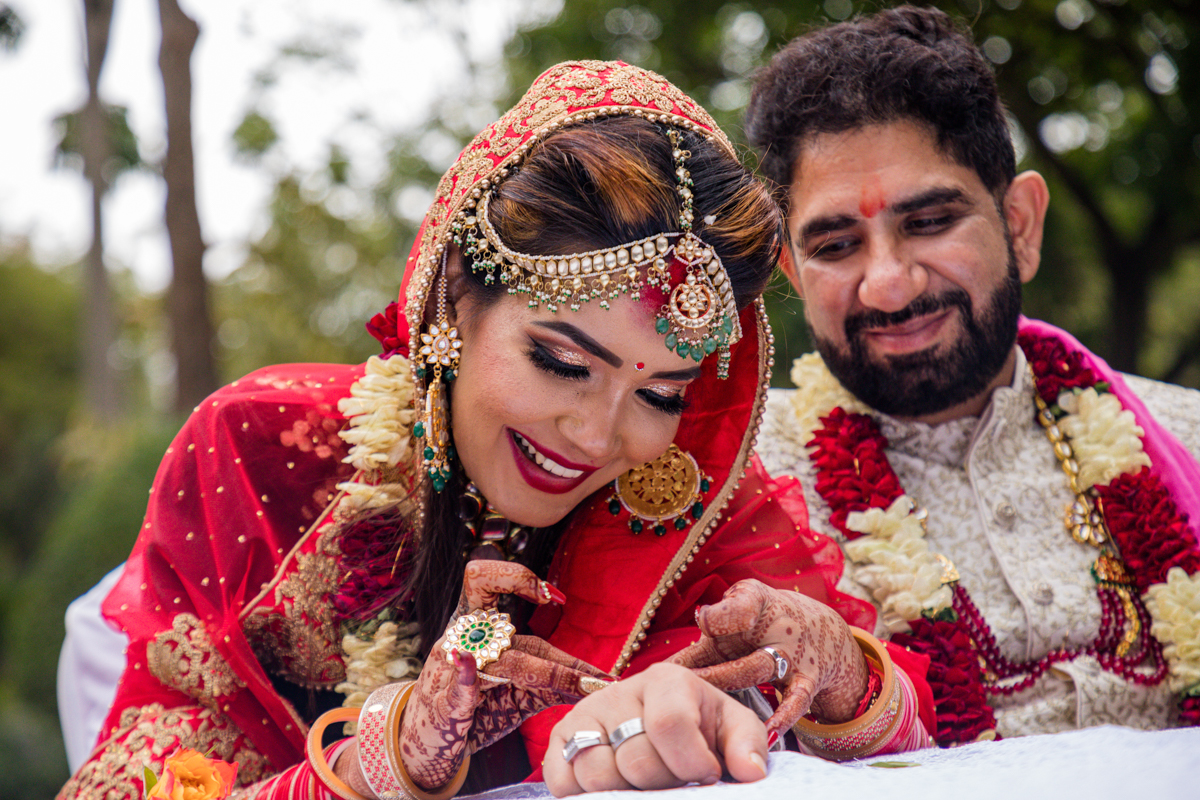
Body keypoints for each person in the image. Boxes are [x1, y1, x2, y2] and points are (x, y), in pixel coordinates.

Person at [59, 61, 920, 800]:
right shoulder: (266, 453)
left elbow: (930, 743)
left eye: (661, 392)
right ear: (451, 300)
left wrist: (841, 670)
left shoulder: (691, 499)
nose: (595, 434)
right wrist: (388, 752)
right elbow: (138, 777)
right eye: (561, 362)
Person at [745, 5, 1200, 746]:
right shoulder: (738, 489)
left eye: (928, 222)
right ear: (793, 272)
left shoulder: (1189, 441)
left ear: (1019, 225)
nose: (887, 285)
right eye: (836, 244)